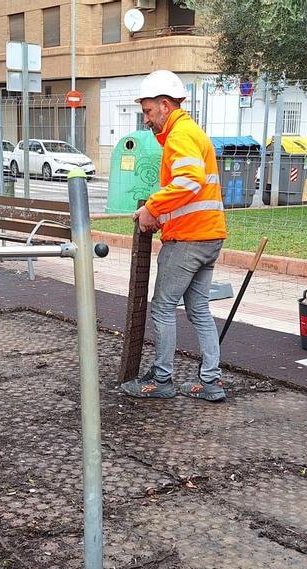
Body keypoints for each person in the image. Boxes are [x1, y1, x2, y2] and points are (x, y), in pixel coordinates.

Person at [120, 70, 229, 402]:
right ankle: (210, 381)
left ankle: (162, 378)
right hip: (209, 235)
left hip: (189, 239)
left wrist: (153, 208)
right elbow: (192, 191)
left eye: (149, 111)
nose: (146, 118)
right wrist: (163, 214)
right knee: (197, 307)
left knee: (163, 305)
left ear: (165, 105)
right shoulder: (191, 133)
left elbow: (188, 181)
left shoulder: (181, 134)